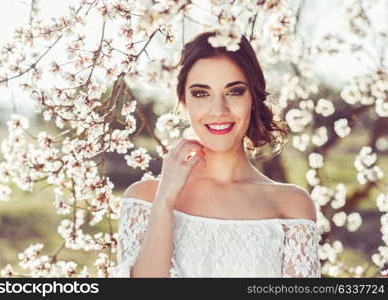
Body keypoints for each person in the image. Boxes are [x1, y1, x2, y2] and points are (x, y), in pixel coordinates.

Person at [112, 29, 321, 277]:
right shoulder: (145, 197)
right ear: (183, 100)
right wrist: (165, 199)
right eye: (201, 93)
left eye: (234, 91)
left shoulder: (290, 204)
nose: (218, 110)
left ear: (253, 97)